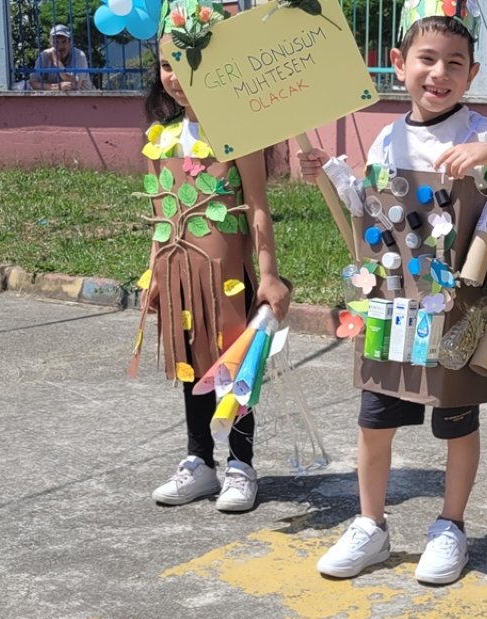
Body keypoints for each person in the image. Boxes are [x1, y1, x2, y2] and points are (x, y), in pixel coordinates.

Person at [299, 10, 487, 586]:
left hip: (458, 307)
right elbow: (366, 213)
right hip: (392, 301)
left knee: (457, 419)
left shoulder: (484, 133)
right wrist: (323, 175)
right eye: (427, 60)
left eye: (454, 64)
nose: (439, 73)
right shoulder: (388, 136)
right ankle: (370, 524)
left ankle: (450, 526)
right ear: (398, 65)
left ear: (473, 73)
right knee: (374, 417)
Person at [134, 5, 290, 514]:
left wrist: (267, 275)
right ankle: (199, 461)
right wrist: (154, 271)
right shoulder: (162, 139)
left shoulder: (239, 134)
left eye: (189, 62)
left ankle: (241, 465)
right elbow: (164, 213)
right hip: (179, 275)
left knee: (232, 365)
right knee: (188, 362)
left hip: (229, 279)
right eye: (166, 65)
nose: (176, 77)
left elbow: (259, 210)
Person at [29, 25, 94, 91]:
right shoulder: (44, 55)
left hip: (84, 99)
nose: (60, 46)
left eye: (64, 41)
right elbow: (33, 83)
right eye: (56, 42)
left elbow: (75, 85)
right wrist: (58, 87)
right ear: (51, 43)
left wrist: (56, 62)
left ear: (70, 42)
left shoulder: (79, 55)